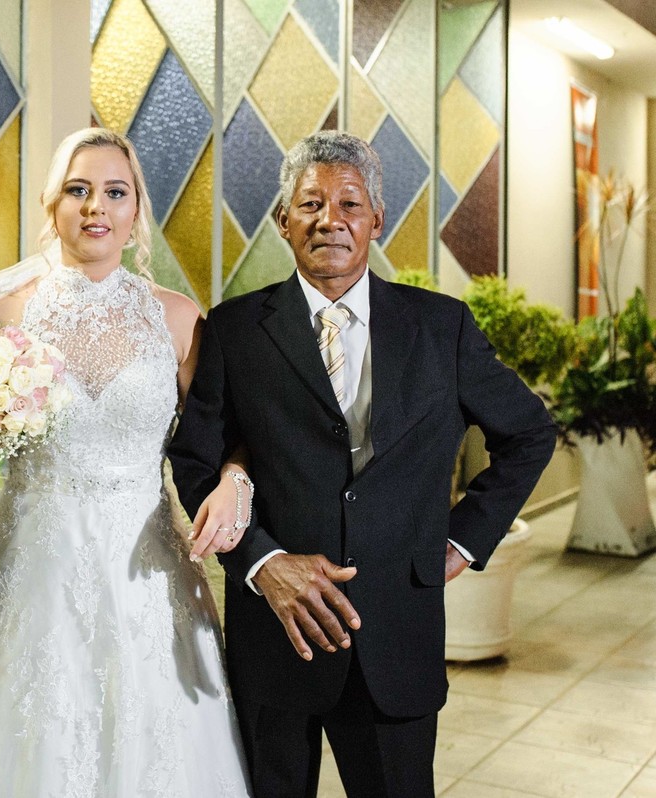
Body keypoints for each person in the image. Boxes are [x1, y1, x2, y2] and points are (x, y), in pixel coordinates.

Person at [168, 130, 556, 797]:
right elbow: (197, 461)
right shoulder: (235, 330)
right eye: (310, 204)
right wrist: (262, 562)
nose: (330, 220)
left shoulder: (442, 327)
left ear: (377, 220)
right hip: (275, 635)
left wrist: (463, 540)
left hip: (396, 633)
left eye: (349, 204)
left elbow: (529, 433)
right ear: (283, 221)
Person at [0, 127, 251, 796]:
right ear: (52, 203)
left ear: (136, 211)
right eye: (79, 190)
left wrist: (234, 479)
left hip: (146, 568)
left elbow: (229, 435)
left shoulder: (178, 318)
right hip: (31, 559)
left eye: (115, 192)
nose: (96, 206)